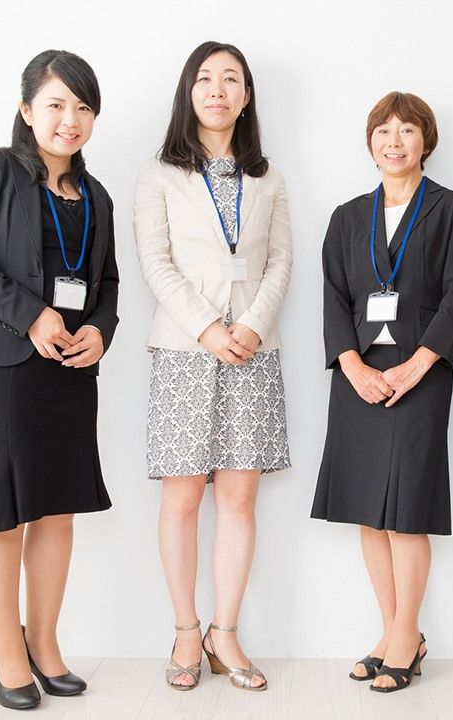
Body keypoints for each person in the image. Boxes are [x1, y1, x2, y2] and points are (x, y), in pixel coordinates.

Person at [0, 50, 118, 710]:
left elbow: (107, 282)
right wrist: (31, 315)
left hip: (68, 370)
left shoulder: (96, 196)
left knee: (55, 506)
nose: (70, 119)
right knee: (0, 511)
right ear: (26, 110)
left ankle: (43, 642)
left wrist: (100, 329)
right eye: (56, 104)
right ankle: (7, 650)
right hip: (2, 364)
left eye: (83, 107)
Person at [133, 40, 292, 693]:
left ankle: (225, 633)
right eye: (205, 78)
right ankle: (186, 630)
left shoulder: (268, 177)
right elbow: (155, 261)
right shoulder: (158, 173)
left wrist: (249, 324)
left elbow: (280, 260)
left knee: (239, 498)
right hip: (183, 351)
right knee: (181, 499)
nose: (218, 90)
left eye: (231, 79)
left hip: (253, 351)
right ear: (188, 91)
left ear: (246, 96)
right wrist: (207, 328)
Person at [311, 91, 453, 694]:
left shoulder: (452, 210)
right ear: (370, 142)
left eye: (407, 130)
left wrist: (420, 363)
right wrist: (350, 365)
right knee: (369, 512)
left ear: (425, 140)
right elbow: (333, 297)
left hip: (421, 373)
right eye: (383, 130)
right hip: (359, 374)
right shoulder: (347, 216)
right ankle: (391, 631)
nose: (394, 141)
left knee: (406, 512)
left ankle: (407, 635)